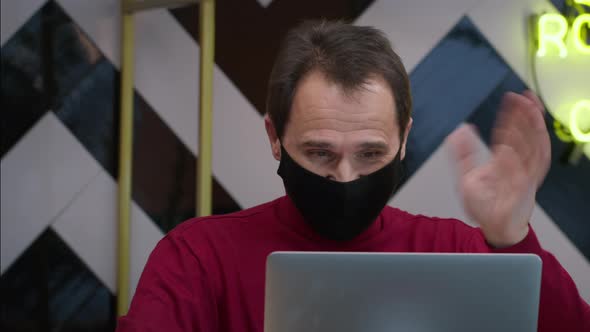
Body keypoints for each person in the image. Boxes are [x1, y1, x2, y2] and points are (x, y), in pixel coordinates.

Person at [116, 20, 589, 332]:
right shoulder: (198, 258)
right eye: (320, 153)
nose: (345, 177)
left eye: (370, 153)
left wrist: (511, 240)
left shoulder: (462, 254)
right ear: (275, 137)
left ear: (403, 139)